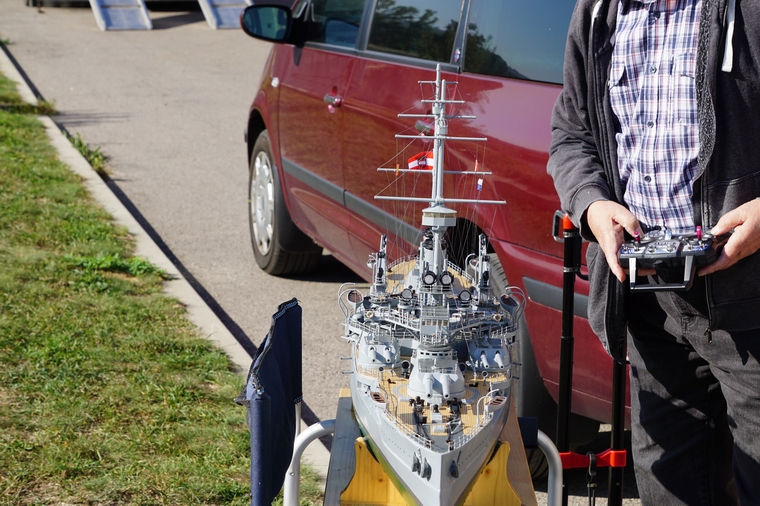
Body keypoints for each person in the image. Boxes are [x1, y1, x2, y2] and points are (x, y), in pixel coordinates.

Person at [547, 1, 760, 504]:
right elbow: (570, 133)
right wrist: (592, 203)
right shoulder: (598, 11)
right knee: (672, 490)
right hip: (650, 305)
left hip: (751, 303)